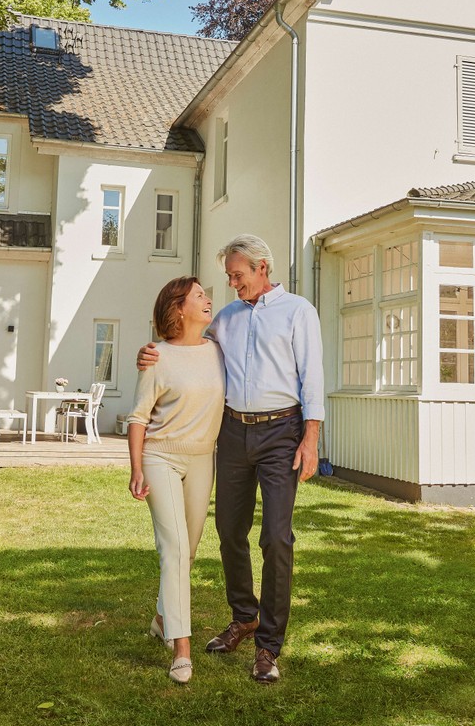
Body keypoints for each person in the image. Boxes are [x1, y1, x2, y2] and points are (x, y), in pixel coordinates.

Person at [139, 233, 323, 684]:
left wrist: (310, 439)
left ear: (262, 268)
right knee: (228, 531)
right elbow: (183, 342)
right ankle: (244, 617)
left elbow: (312, 377)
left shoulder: (298, 311)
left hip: (282, 431)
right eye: (228, 276)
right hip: (234, 432)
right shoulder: (225, 318)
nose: (231, 283)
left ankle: (268, 647)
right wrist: (150, 352)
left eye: (237, 275)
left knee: (276, 537)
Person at [127, 276, 225, 684]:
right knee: (175, 548)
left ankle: (162, 618)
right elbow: (138, 417)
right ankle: (181, 648)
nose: (207, 299)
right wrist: (136, 468)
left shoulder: (218, 349)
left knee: (189, 550)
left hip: (203, 459)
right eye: (198, 295)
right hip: (160, 457)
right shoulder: (157, 357)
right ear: (178, 308)